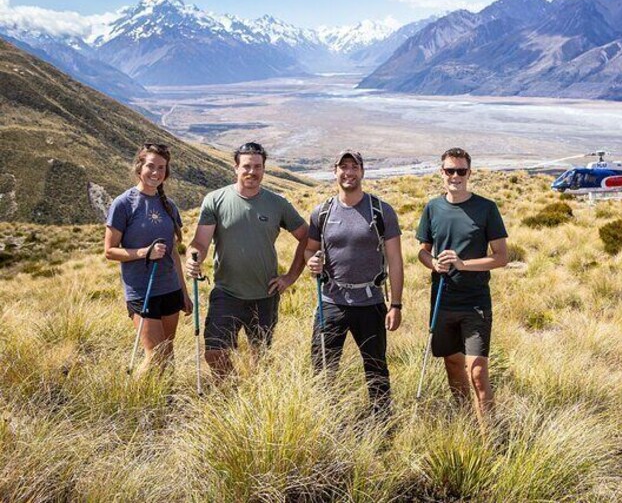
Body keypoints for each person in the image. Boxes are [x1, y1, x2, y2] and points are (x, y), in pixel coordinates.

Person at [185, 142, 308, 380]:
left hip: (265, 293)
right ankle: (233, 388)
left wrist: (291, 276)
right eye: (246, 166)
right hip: (226, 292)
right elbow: (199, 242)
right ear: (236, 168)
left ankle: (253, 397)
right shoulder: (215, 200)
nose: (252, 172)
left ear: (264, 169)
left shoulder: (277, 204)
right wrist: (194, 258)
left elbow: (306, 237)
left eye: (257, 167)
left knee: (260, 357)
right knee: (214, 353)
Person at [304, 150, 403, 416]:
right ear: (334, 171)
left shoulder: (381, 211)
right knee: (322, 366)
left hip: (370, 302)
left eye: (354, 167)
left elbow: (395, 260)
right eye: (343, 167)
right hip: (330, 302)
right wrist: (312, 261)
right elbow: (310, 250)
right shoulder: (322, 212)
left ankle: (382, 422)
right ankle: (323, 418)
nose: (348, 172)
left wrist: (395, 304)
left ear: (362, 171)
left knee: (376, 367)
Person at [416, 148, 508, 418]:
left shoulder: (486, 208)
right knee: (453, 365)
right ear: (441, 172)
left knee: (477, 371)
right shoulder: (433, 208)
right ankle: (465, 422)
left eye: (461, 171)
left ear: (470, 173)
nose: (455, 176)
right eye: (449, 170)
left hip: (475, 301)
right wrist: (433, 263)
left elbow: (501, 257)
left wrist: (463, 264)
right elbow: (422, 251)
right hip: (442, 300)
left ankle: (489, 440)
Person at [105, 142, 192, 374]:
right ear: (139, 167)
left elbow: (173, 252)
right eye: (151, 166)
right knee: (156, 354)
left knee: (168, 351)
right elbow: (109, 251)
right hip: (142, 291)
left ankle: (164, 401)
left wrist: (184, 293)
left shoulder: (169, 206)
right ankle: (132, 404)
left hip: (170, 288)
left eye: (161, 168)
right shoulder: (123, 204)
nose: (156, 173)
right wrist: (144, 253)